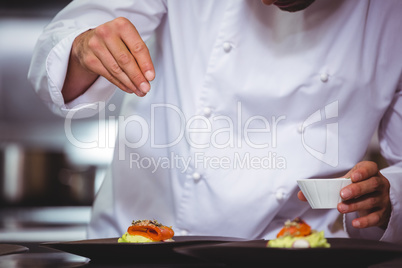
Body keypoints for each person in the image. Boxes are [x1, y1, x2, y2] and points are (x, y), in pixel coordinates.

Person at [28, 0, 402, 242]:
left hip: (298, 251)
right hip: (147, 250)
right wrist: (83, 48)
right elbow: (63, 45)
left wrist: (388, 195)